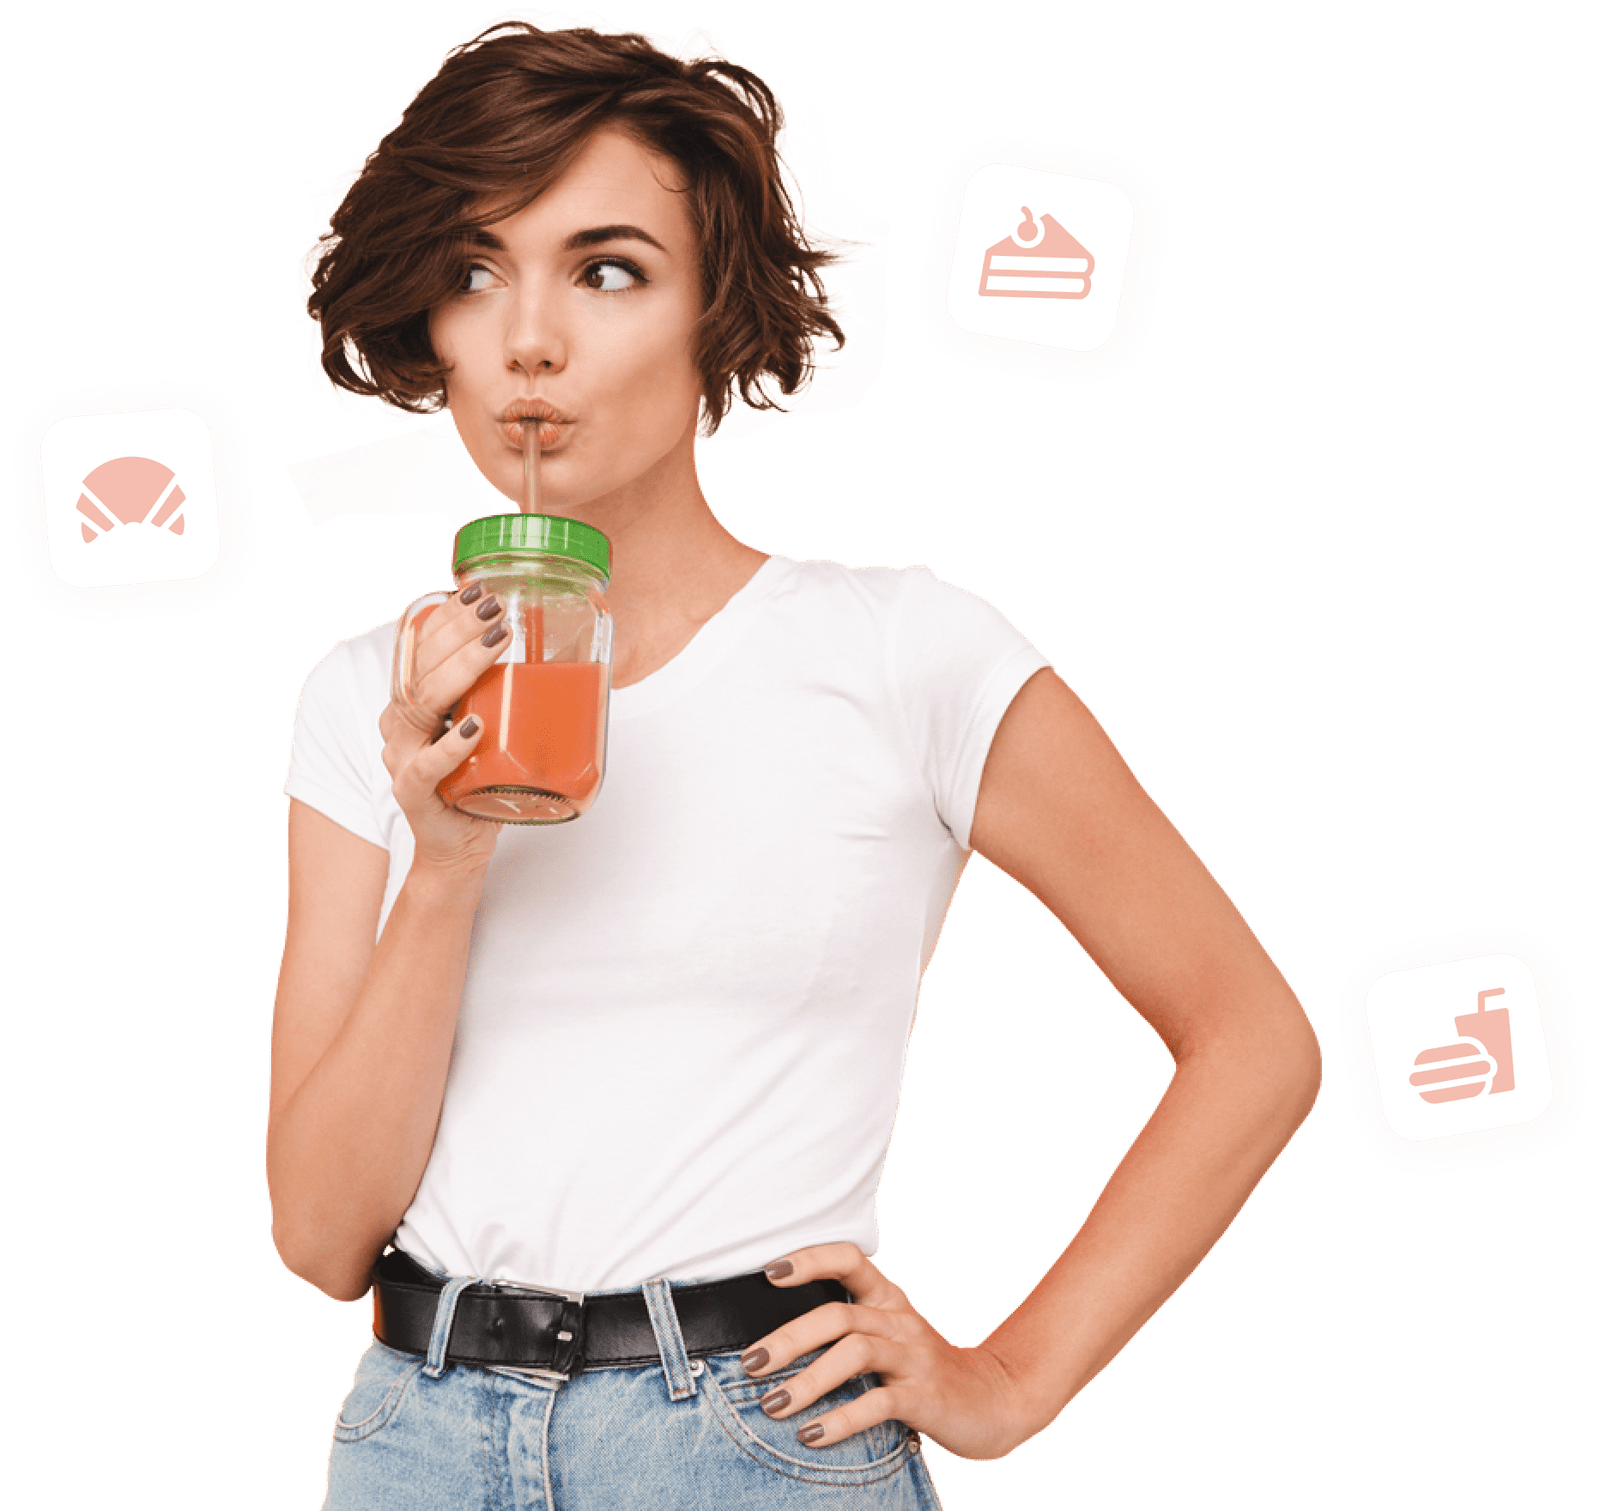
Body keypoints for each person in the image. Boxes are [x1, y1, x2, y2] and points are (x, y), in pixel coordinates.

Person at [267, 10, 1323, 1508]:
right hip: (414, 1440)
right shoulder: (365, 696)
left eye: (608, 268)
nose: (529, 339)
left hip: (750, 1442)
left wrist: (1011, 1375)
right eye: (475, 269)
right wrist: (445, 857)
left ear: (718, 321)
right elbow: (319, 1236)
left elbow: (1255, 1041)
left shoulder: (903, 656)